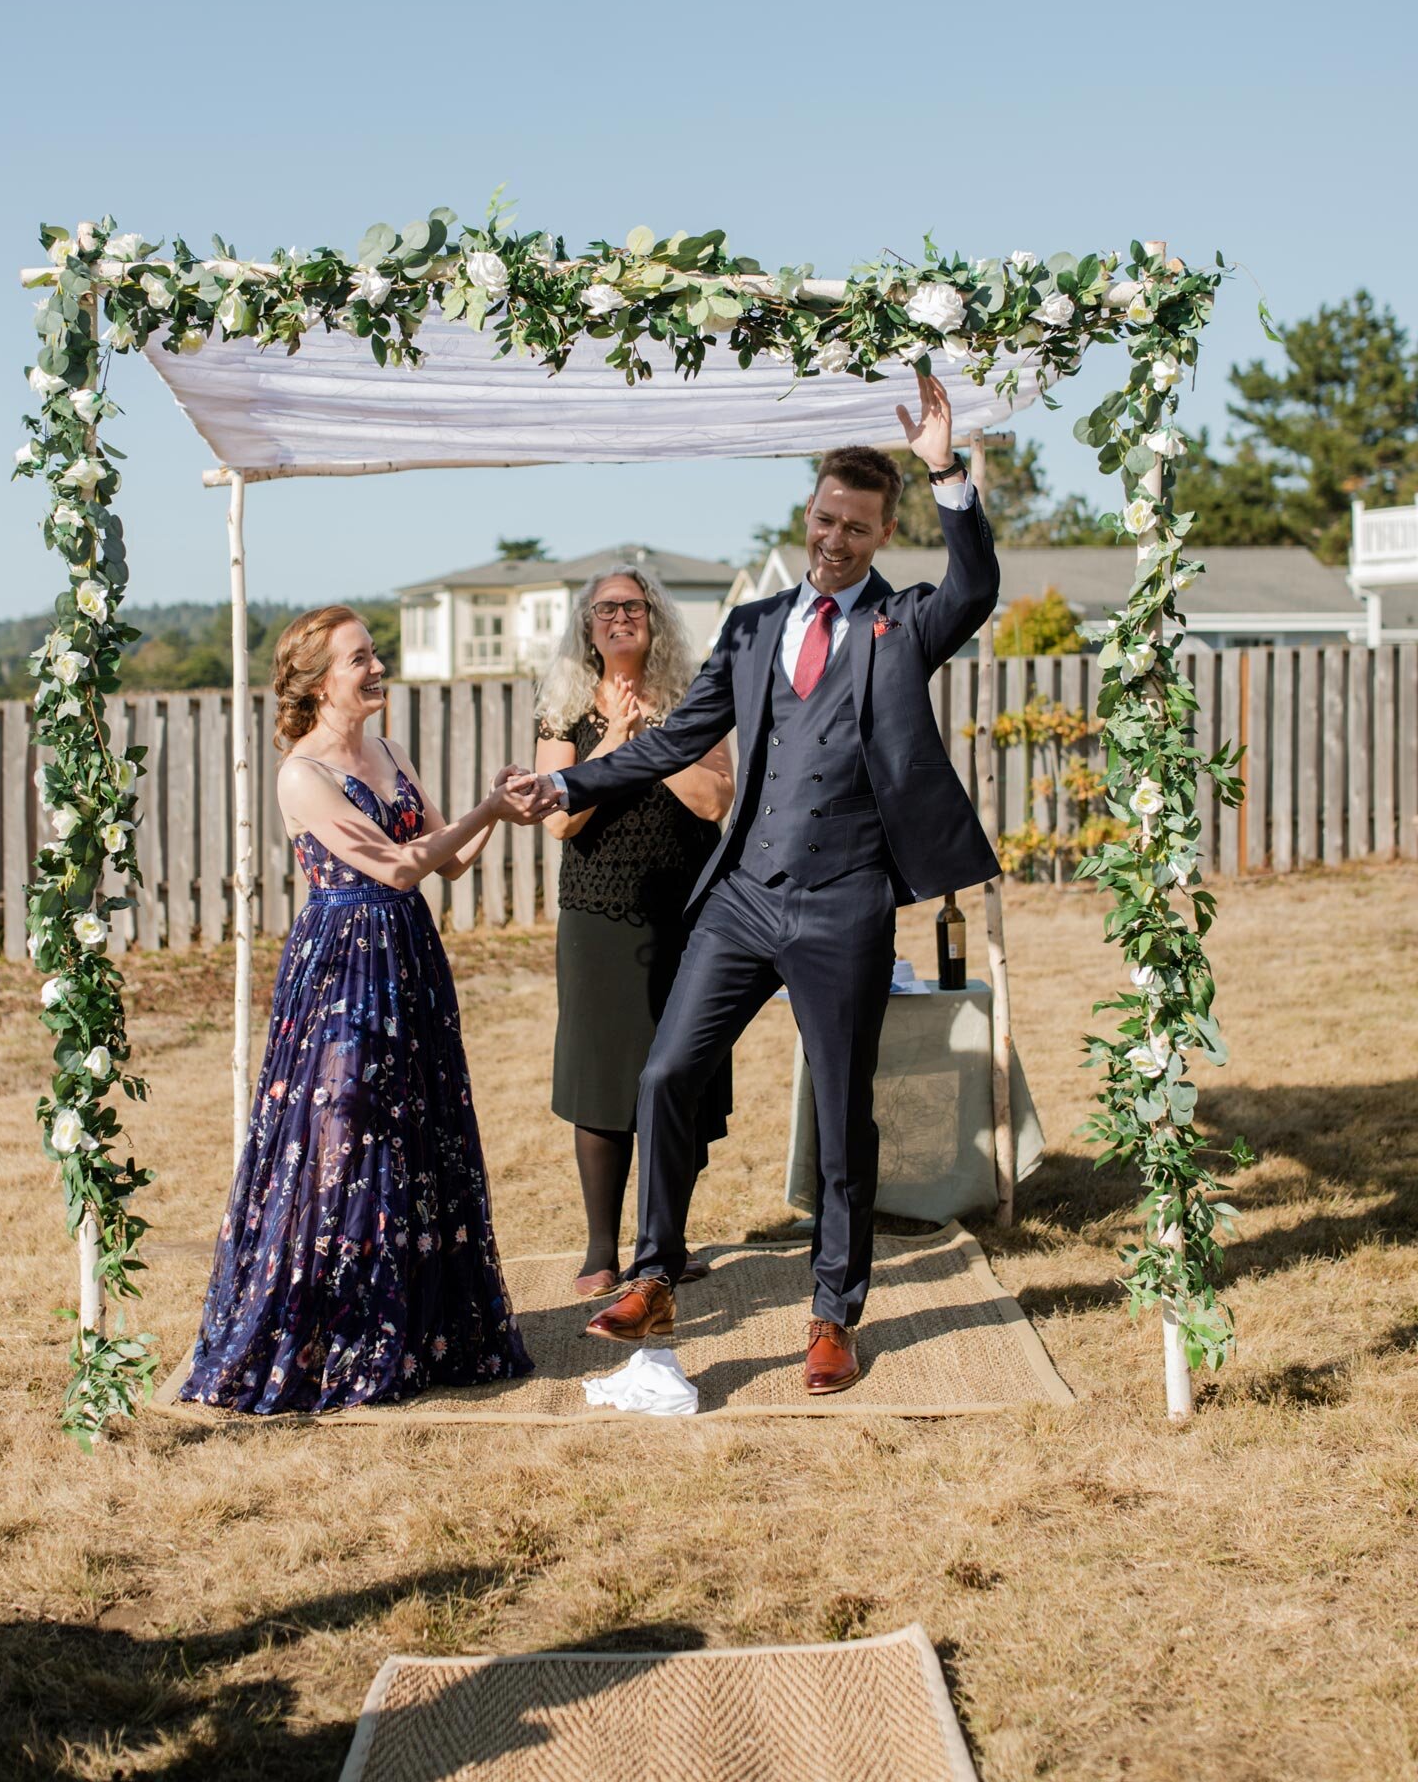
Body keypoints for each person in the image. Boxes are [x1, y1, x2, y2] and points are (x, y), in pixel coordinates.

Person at [509, 375, 1000, 1395]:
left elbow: (976, 590)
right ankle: (653, 1276)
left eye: (857, 529)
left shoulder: (902, 626)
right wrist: (564, 778)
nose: (835, 540)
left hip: (844, 901)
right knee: (664, 1075)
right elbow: (675, 743)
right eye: (825, 519)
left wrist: (947, 469)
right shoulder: (751, 628)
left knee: (836, 1107)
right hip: (741, 898)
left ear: (880, 533)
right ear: (806, 515)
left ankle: (832, 1314)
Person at [181, 604, 538, 1413]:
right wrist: (482, 817)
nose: (377, 668)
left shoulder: (387, 749)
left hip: (409, 959)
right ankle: (335, 1329)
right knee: (340, 1135)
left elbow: (445, 862)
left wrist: (496, 805)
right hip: (343, 968)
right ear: (315, 683)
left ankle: (415, 1328)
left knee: (417, 1130)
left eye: (374, 654)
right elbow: (400, 868)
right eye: (358, 660)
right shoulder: (301, 775)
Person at [534, 561, 735, 1296]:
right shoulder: (563, 709)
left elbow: (714, 800)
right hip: (598, 913)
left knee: (682, 1074)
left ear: (655, 617)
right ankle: (599, 1250)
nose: (620, 617)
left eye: (634, 605)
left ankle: (667, 1245)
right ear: (587, 627)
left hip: (690, 913)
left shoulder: (692, 700)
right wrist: (614, 739)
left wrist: (654, 731)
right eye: (605, 608)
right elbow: (560, 817)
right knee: (601, 1079)